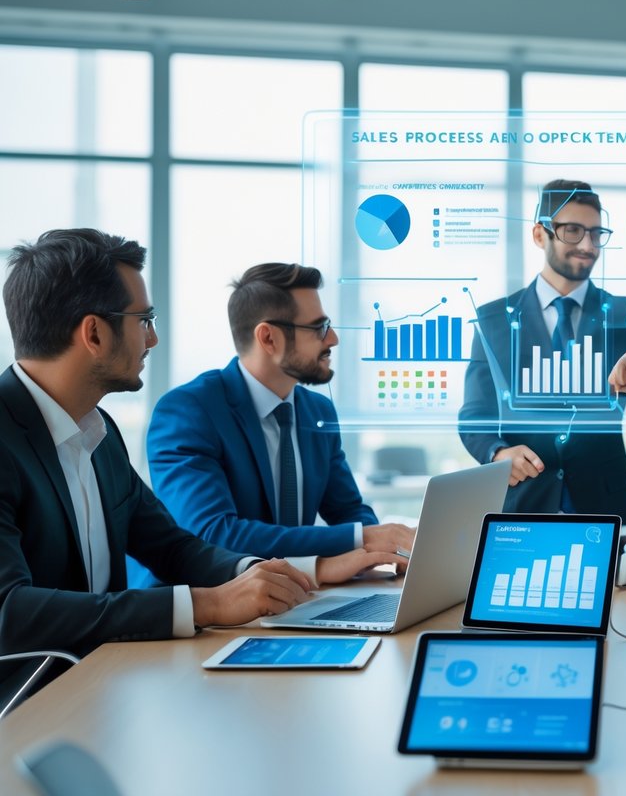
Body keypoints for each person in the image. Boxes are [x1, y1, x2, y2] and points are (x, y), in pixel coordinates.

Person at [0, 229, 404, 674]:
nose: (151, 339)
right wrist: (205, 604)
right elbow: (8, 611)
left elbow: (171, 546)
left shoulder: (97, 432)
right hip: (29, 705)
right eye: (144, 320)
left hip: (107, 677)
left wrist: (254, 574)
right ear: (94, 333)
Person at [135, 263, 413, 587]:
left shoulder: (317, 412)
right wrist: (360, 539)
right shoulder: (188, 412)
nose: (333, 339)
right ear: (268, 337)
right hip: (203, 609)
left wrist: (389, 551)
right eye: (319, 328)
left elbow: (349, 510)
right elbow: (213, 534)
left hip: (294, 598)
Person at [458, 179, 626, 524]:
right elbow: (475, 414)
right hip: (522, 507)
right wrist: (497, 453)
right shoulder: (494, 320)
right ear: (540, 234)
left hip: (607, 511)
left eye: (596, 233)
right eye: (573, 230)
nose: (588, 245)